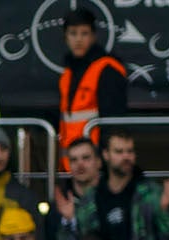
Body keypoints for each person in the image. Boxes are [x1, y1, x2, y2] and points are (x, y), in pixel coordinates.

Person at [55, 7, 124, 156]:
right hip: (71, 162)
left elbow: (112, 123)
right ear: (65, 37)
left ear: (93, 36)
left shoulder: (108, 69)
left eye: (84, 33)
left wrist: (104, 158)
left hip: (96, 160)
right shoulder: (67, 74)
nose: (78, 39)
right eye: (73, 33)